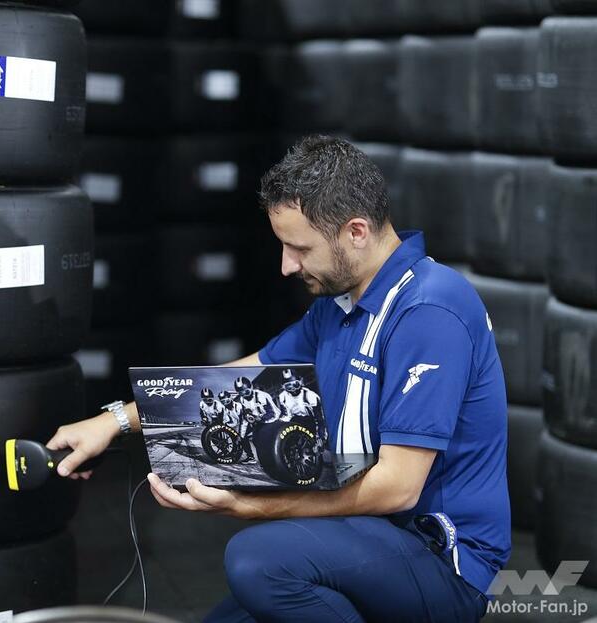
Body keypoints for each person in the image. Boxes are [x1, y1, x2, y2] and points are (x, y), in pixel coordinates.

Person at [47, 135, 508, 622]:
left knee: (259, 561)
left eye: (299, 248)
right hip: (366, 536)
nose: (287, 265)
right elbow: (248, 372)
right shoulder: (340, 305)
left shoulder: (430, 310)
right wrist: (117, 420)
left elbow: (398, 489)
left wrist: (250, 506)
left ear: (356, 232)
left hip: (441, 559)